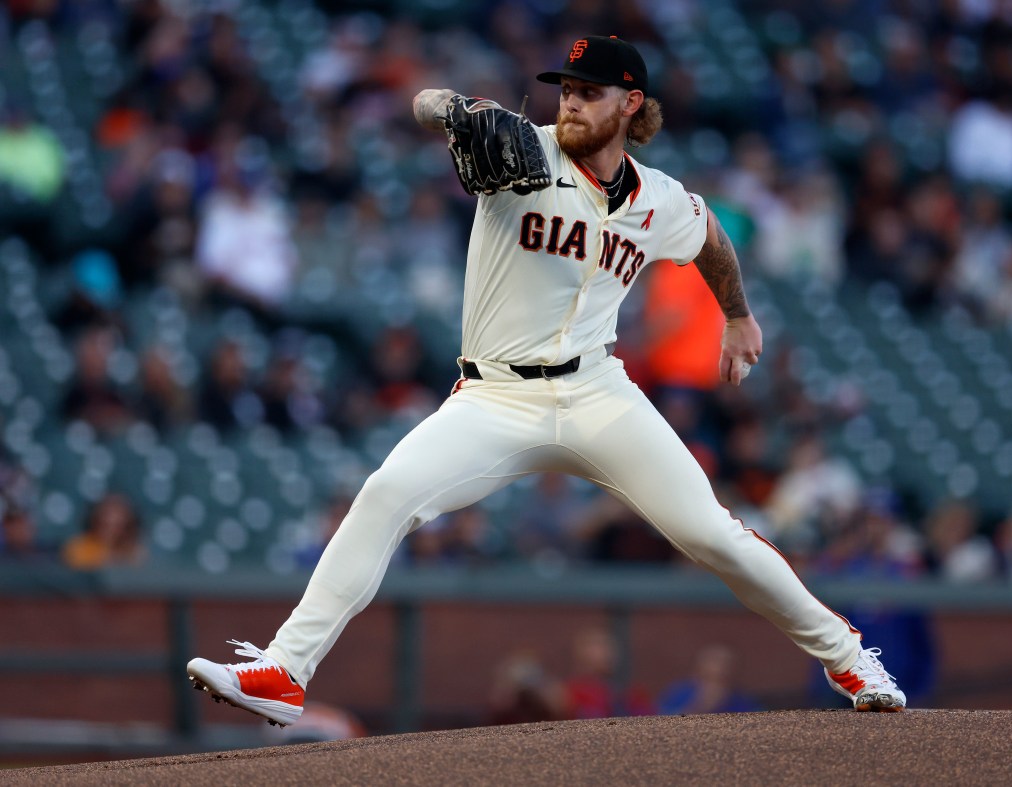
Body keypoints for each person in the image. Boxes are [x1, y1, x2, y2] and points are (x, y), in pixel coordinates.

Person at [187, 35, 906, 728]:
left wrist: (738, 315)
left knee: (713, 535)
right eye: (564, 89)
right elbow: (425, 104)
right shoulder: (523, 154)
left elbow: (711, 237)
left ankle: (848, 658)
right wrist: (453, 109)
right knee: (386, 493)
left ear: (630, 103)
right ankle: (284, 670)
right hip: (495, 397)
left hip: (598, 392)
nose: (570, 102)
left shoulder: (658, 199)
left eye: (588, 92)